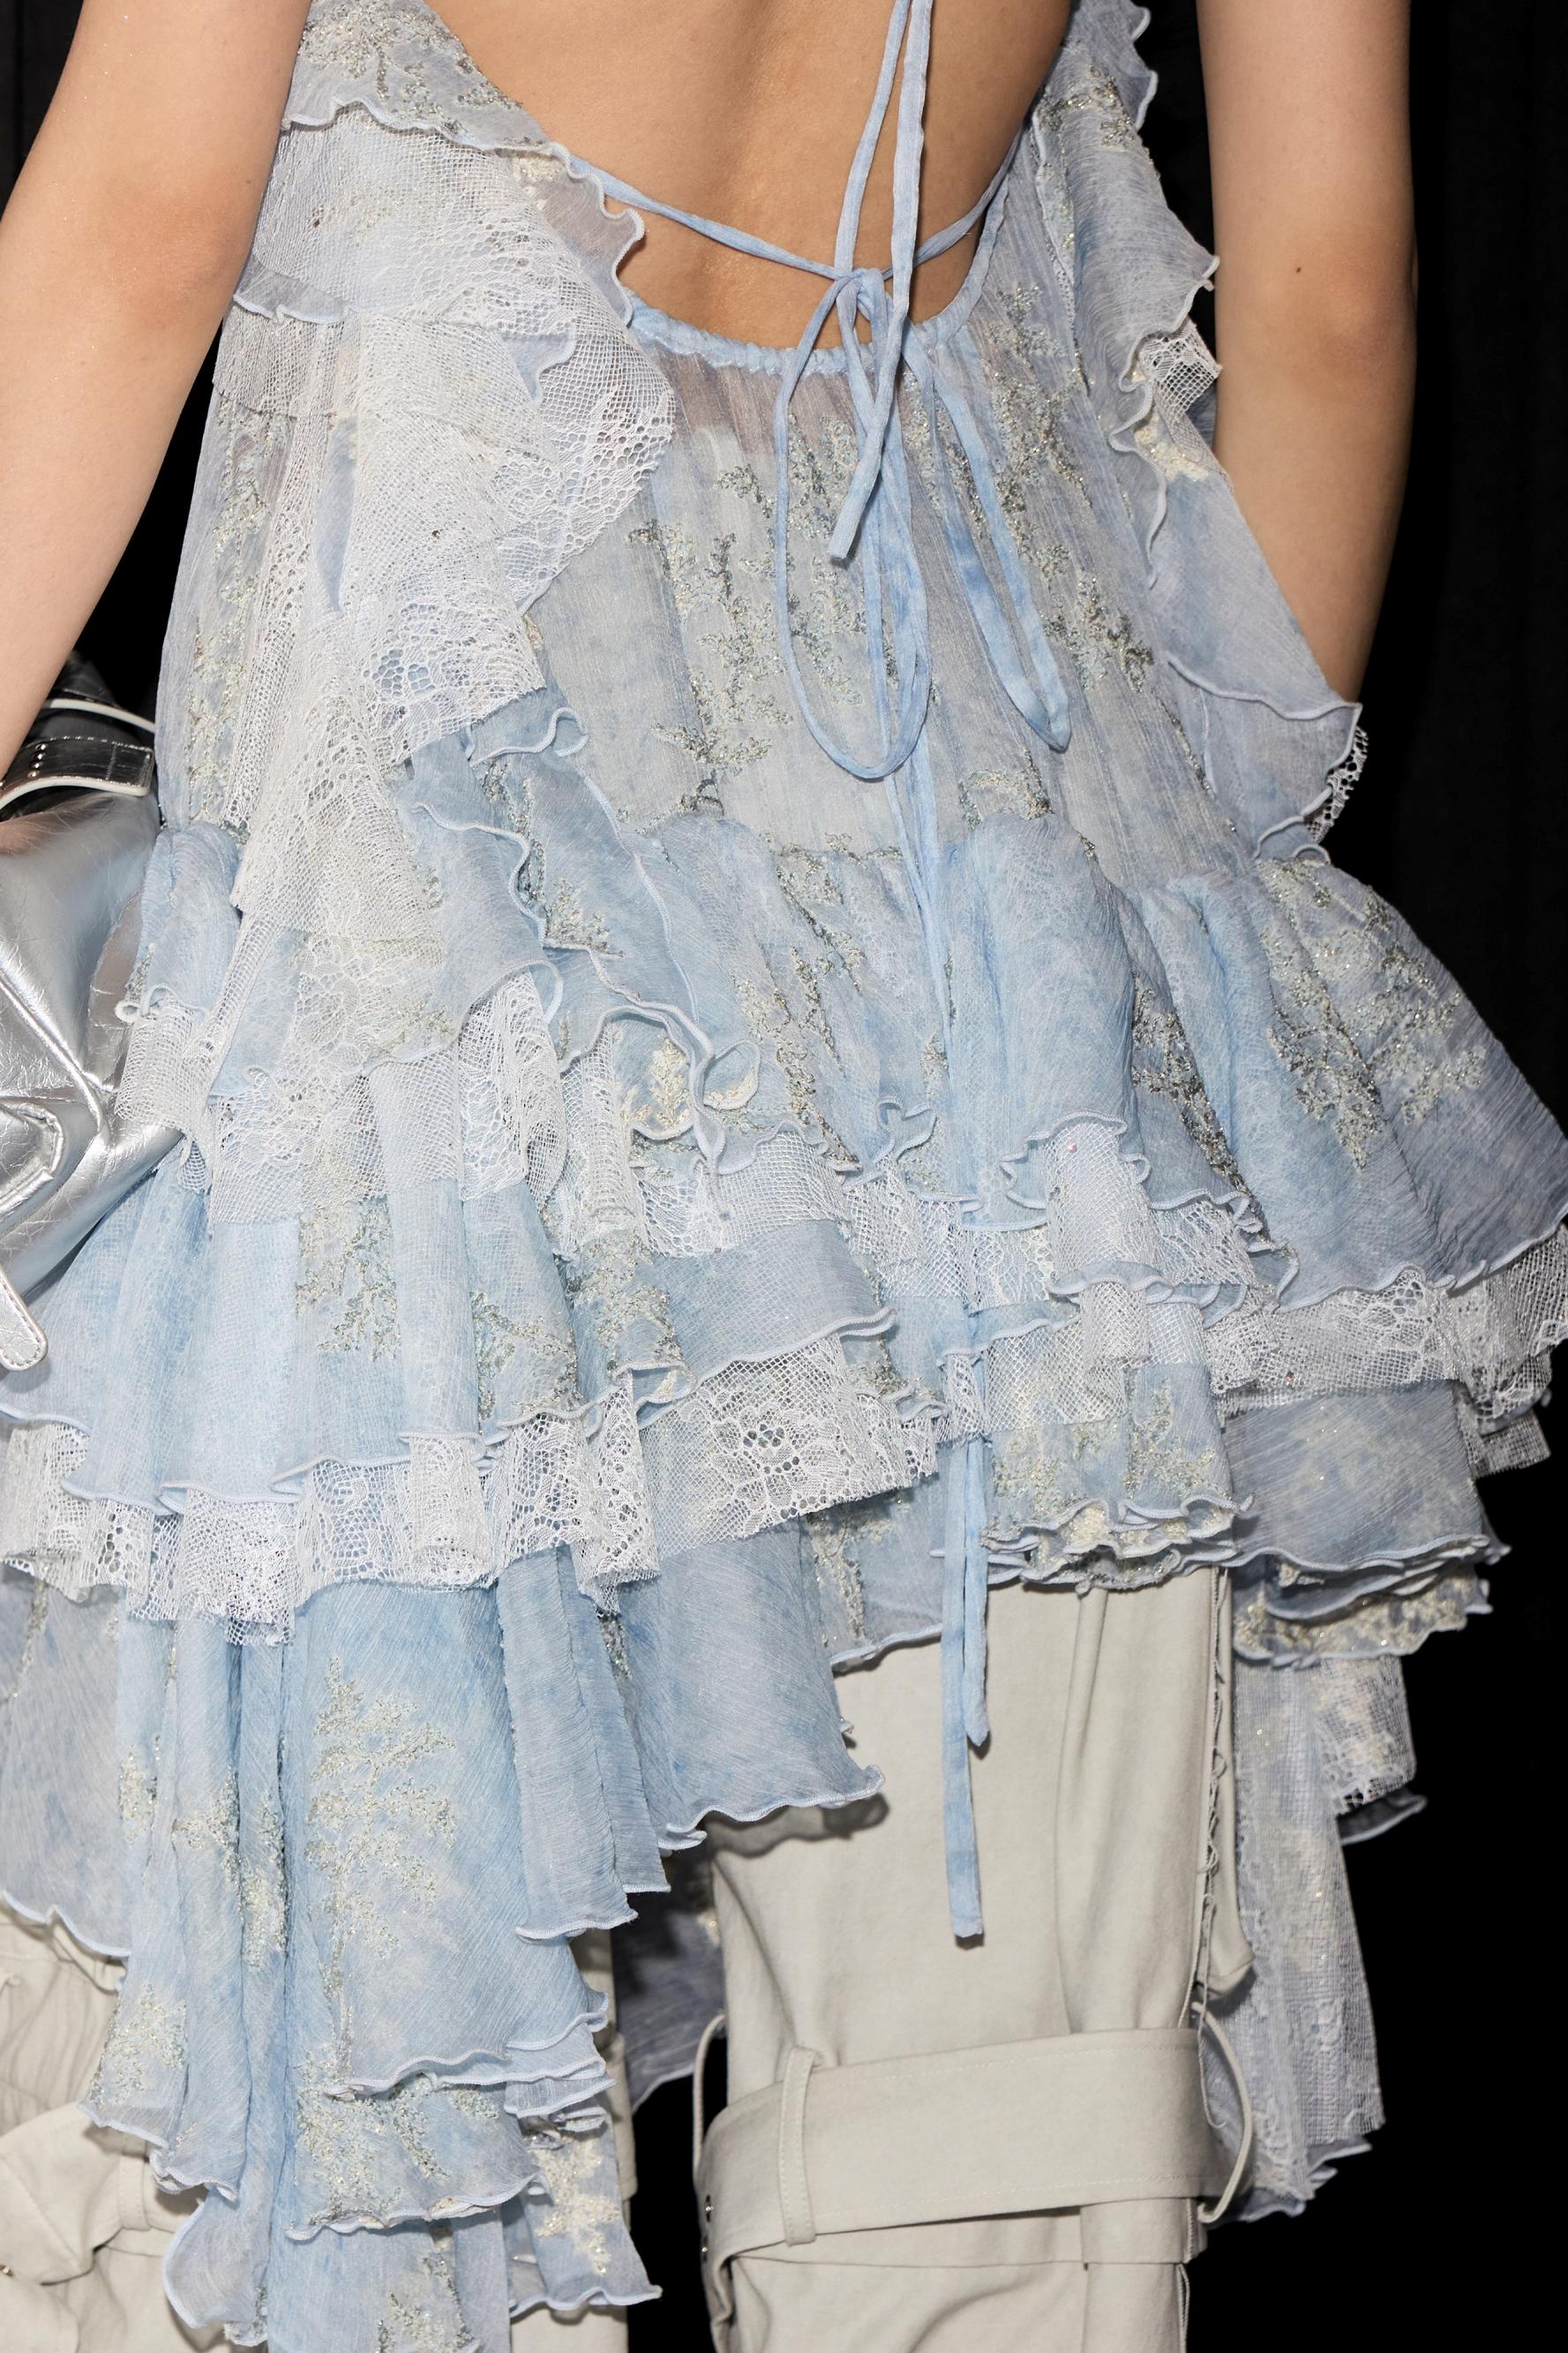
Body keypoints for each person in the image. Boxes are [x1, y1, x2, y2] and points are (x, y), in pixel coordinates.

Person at [1, 4, 1559, 2349]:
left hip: (424, 1075)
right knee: (989, 2191)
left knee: (295, 2142)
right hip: (1005, 1059)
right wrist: (1202, 940)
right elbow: (1328, 298)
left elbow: (132, 248)